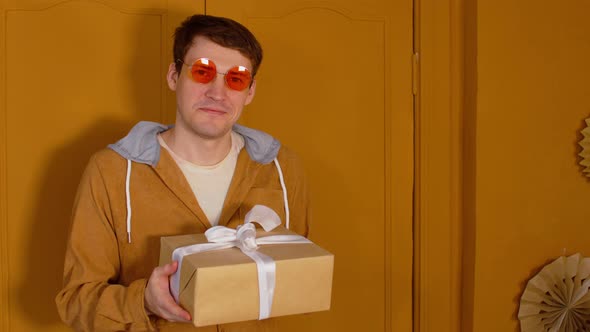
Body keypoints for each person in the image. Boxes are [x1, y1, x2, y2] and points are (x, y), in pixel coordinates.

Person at [55, 14, 311, 331]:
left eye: (236, 78)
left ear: (250, 91)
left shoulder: (283, 168)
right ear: (174, 76)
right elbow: (76, 302)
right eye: (203, 72)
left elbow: (296, 274)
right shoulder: (110, 172)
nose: (217, 93)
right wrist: (144, 301)